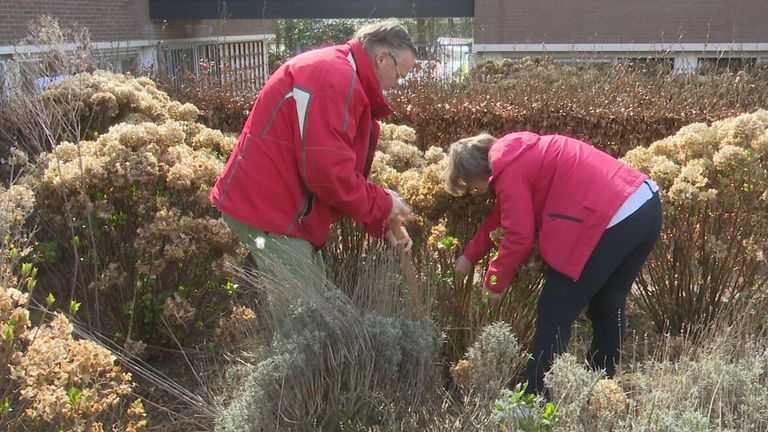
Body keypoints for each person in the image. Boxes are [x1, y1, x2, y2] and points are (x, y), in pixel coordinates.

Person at [209, 20, 416, 307]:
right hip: (271, 211)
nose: (396, 84)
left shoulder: (341, 72)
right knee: (304, 321)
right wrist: (383, 204)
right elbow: (329, 175)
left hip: (279, 208)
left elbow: (336, 166)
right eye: (399, 74)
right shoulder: (335, 79)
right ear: (382, 57)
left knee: (314, 311)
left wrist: (382, 221)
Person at [444, 131, 663, 396]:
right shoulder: (521, 153)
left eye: (471, 186)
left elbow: (519, 236)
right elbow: (503, 215)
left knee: (554, 307)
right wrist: (469, 257)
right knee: (608, 302)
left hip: (612, 217)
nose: (476, 193)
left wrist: (494, 281)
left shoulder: (509, 170)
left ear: (475, 173)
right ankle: (600, 389)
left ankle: (535, 397)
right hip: (645, 205)